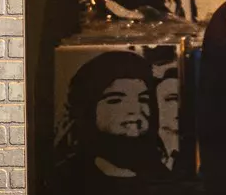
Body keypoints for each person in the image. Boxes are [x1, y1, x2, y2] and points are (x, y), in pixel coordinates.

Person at [56, 49, 169, 182]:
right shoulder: (65, 178)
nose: (134, 111)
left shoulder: (166, 178)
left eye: (143, 99)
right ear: (88, 110)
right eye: (115, 100)